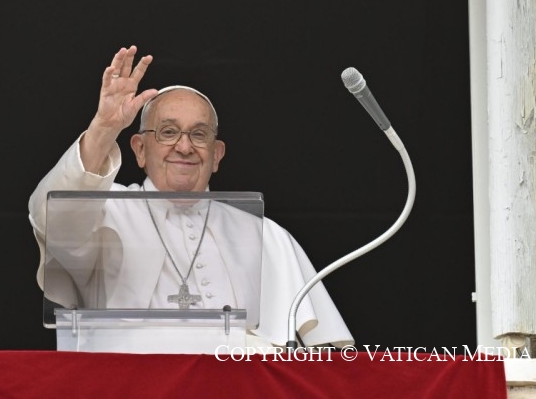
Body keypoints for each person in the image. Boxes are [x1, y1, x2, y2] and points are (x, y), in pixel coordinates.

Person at [28, 45, 353, 347]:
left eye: (199, 135)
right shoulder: (102, 211)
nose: (184, 147)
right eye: (168, 132)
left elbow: (330, 354)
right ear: (139, 150)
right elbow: (50, 217)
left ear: (216, 155)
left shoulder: (267, 235)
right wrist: (104, 128)